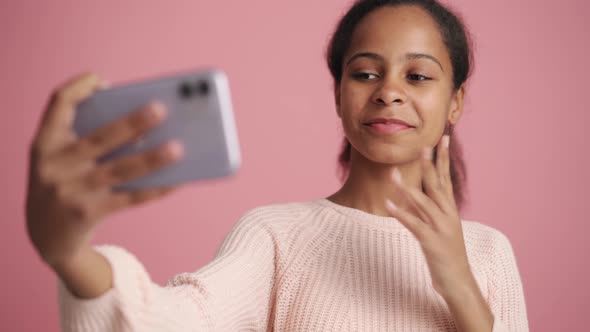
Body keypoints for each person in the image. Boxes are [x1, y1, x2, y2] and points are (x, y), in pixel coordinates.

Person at [25, 0, 529, 331]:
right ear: (338, 94)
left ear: (455, 102)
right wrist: (69, 254)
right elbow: (178, 321)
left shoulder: (488, 252)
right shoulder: (275, 235)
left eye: (418, 76)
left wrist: (457, 281)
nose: (389, 91)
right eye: (366, 73)